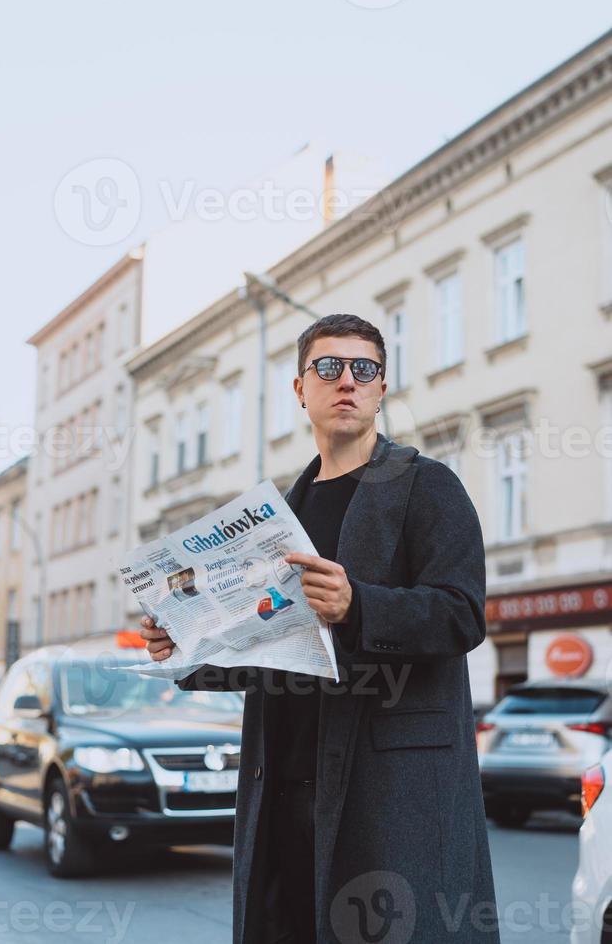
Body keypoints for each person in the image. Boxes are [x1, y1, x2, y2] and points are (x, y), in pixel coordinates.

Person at [140, 313, 500, 944]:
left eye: (365, 370)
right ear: (299, 389)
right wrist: (187, 647)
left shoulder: (428, 487)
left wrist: (358, 605)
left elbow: (462, 613)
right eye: (328, 367)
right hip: (280, 779)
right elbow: (267, 645)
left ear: (382, 389)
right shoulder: (280, 512)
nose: (347, 382)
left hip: (386, 793)